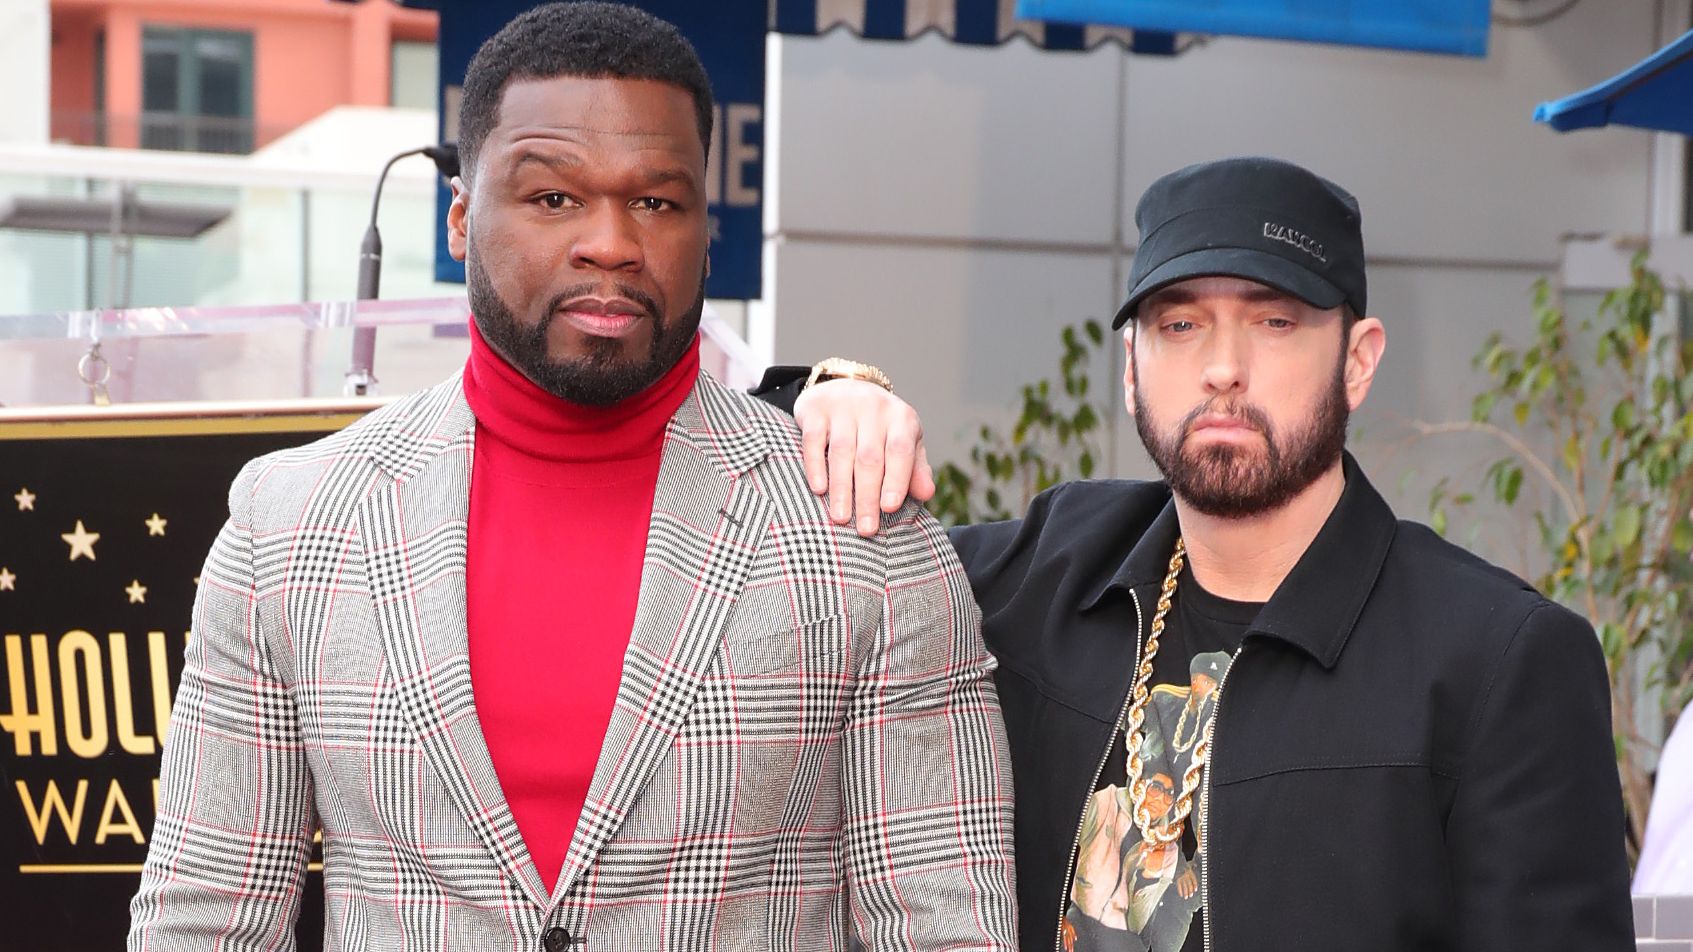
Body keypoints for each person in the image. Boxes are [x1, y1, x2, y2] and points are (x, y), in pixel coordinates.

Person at [128, 5, 1017, 950]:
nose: (610, 242)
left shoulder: (864, 534)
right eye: (553, 198)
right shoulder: (289, 526)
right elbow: (205, 916)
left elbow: (945, 923)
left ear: (705, 228)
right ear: (463, 218)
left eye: (656, 202)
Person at [764, 156, 1635, 951]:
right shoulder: (1039, 577)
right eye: (1180, 324)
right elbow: (804, 572)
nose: (1223, 366)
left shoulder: (1495, 659)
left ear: (1357, 362)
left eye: (1275, 321)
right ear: (1132, 368)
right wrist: (825, 400)